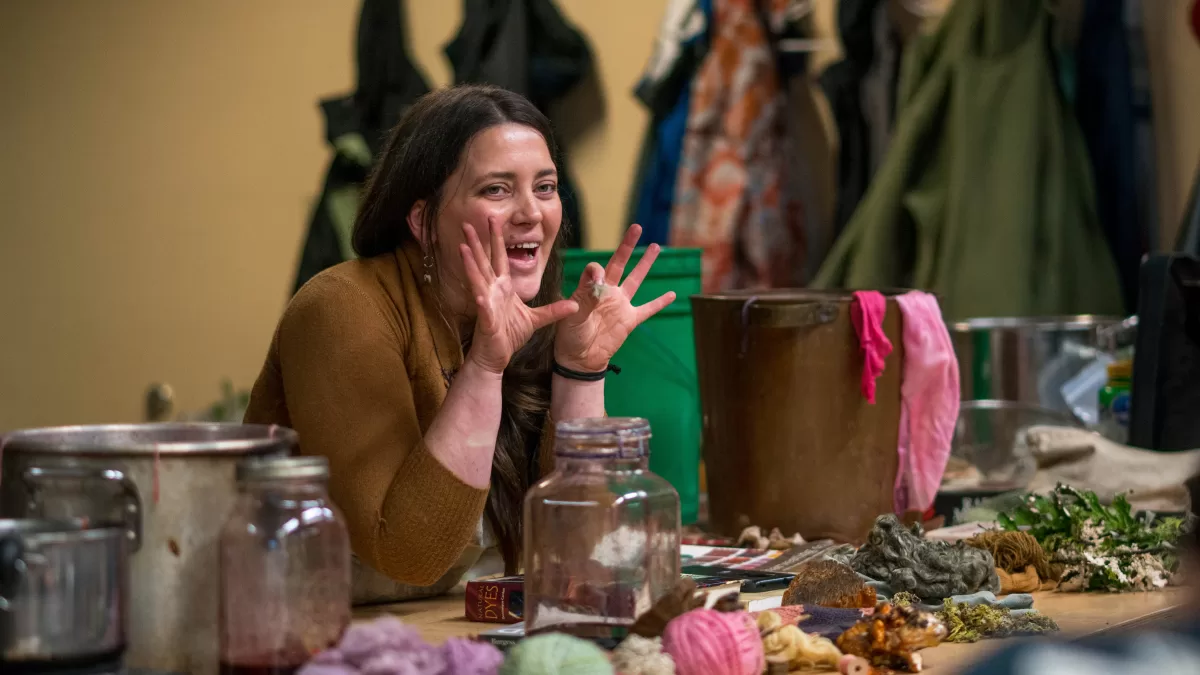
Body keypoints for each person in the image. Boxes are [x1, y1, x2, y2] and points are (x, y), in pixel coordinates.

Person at [244, 84, 674, 603]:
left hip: (455, 628)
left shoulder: (540, 312)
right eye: (497, 189)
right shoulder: (341, 307)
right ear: (423, 220)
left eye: (545, 187)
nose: (531, 213)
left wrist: (580, 369)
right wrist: (485, 367)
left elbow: (584, 551)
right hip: (316, 633)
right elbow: (409, 554)